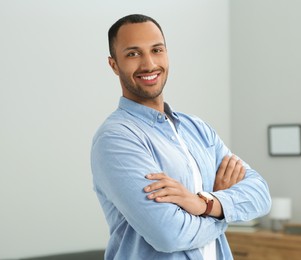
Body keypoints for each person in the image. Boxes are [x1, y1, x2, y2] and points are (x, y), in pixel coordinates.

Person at [91, 14, 271, 260]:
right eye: (133, 54)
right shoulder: (116, 139)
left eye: (157, 50)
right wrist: (223, 213)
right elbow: (169, 234)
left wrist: (205, 204)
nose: (149, 63)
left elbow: (260, 194)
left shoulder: (197, 128)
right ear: (114, 65)